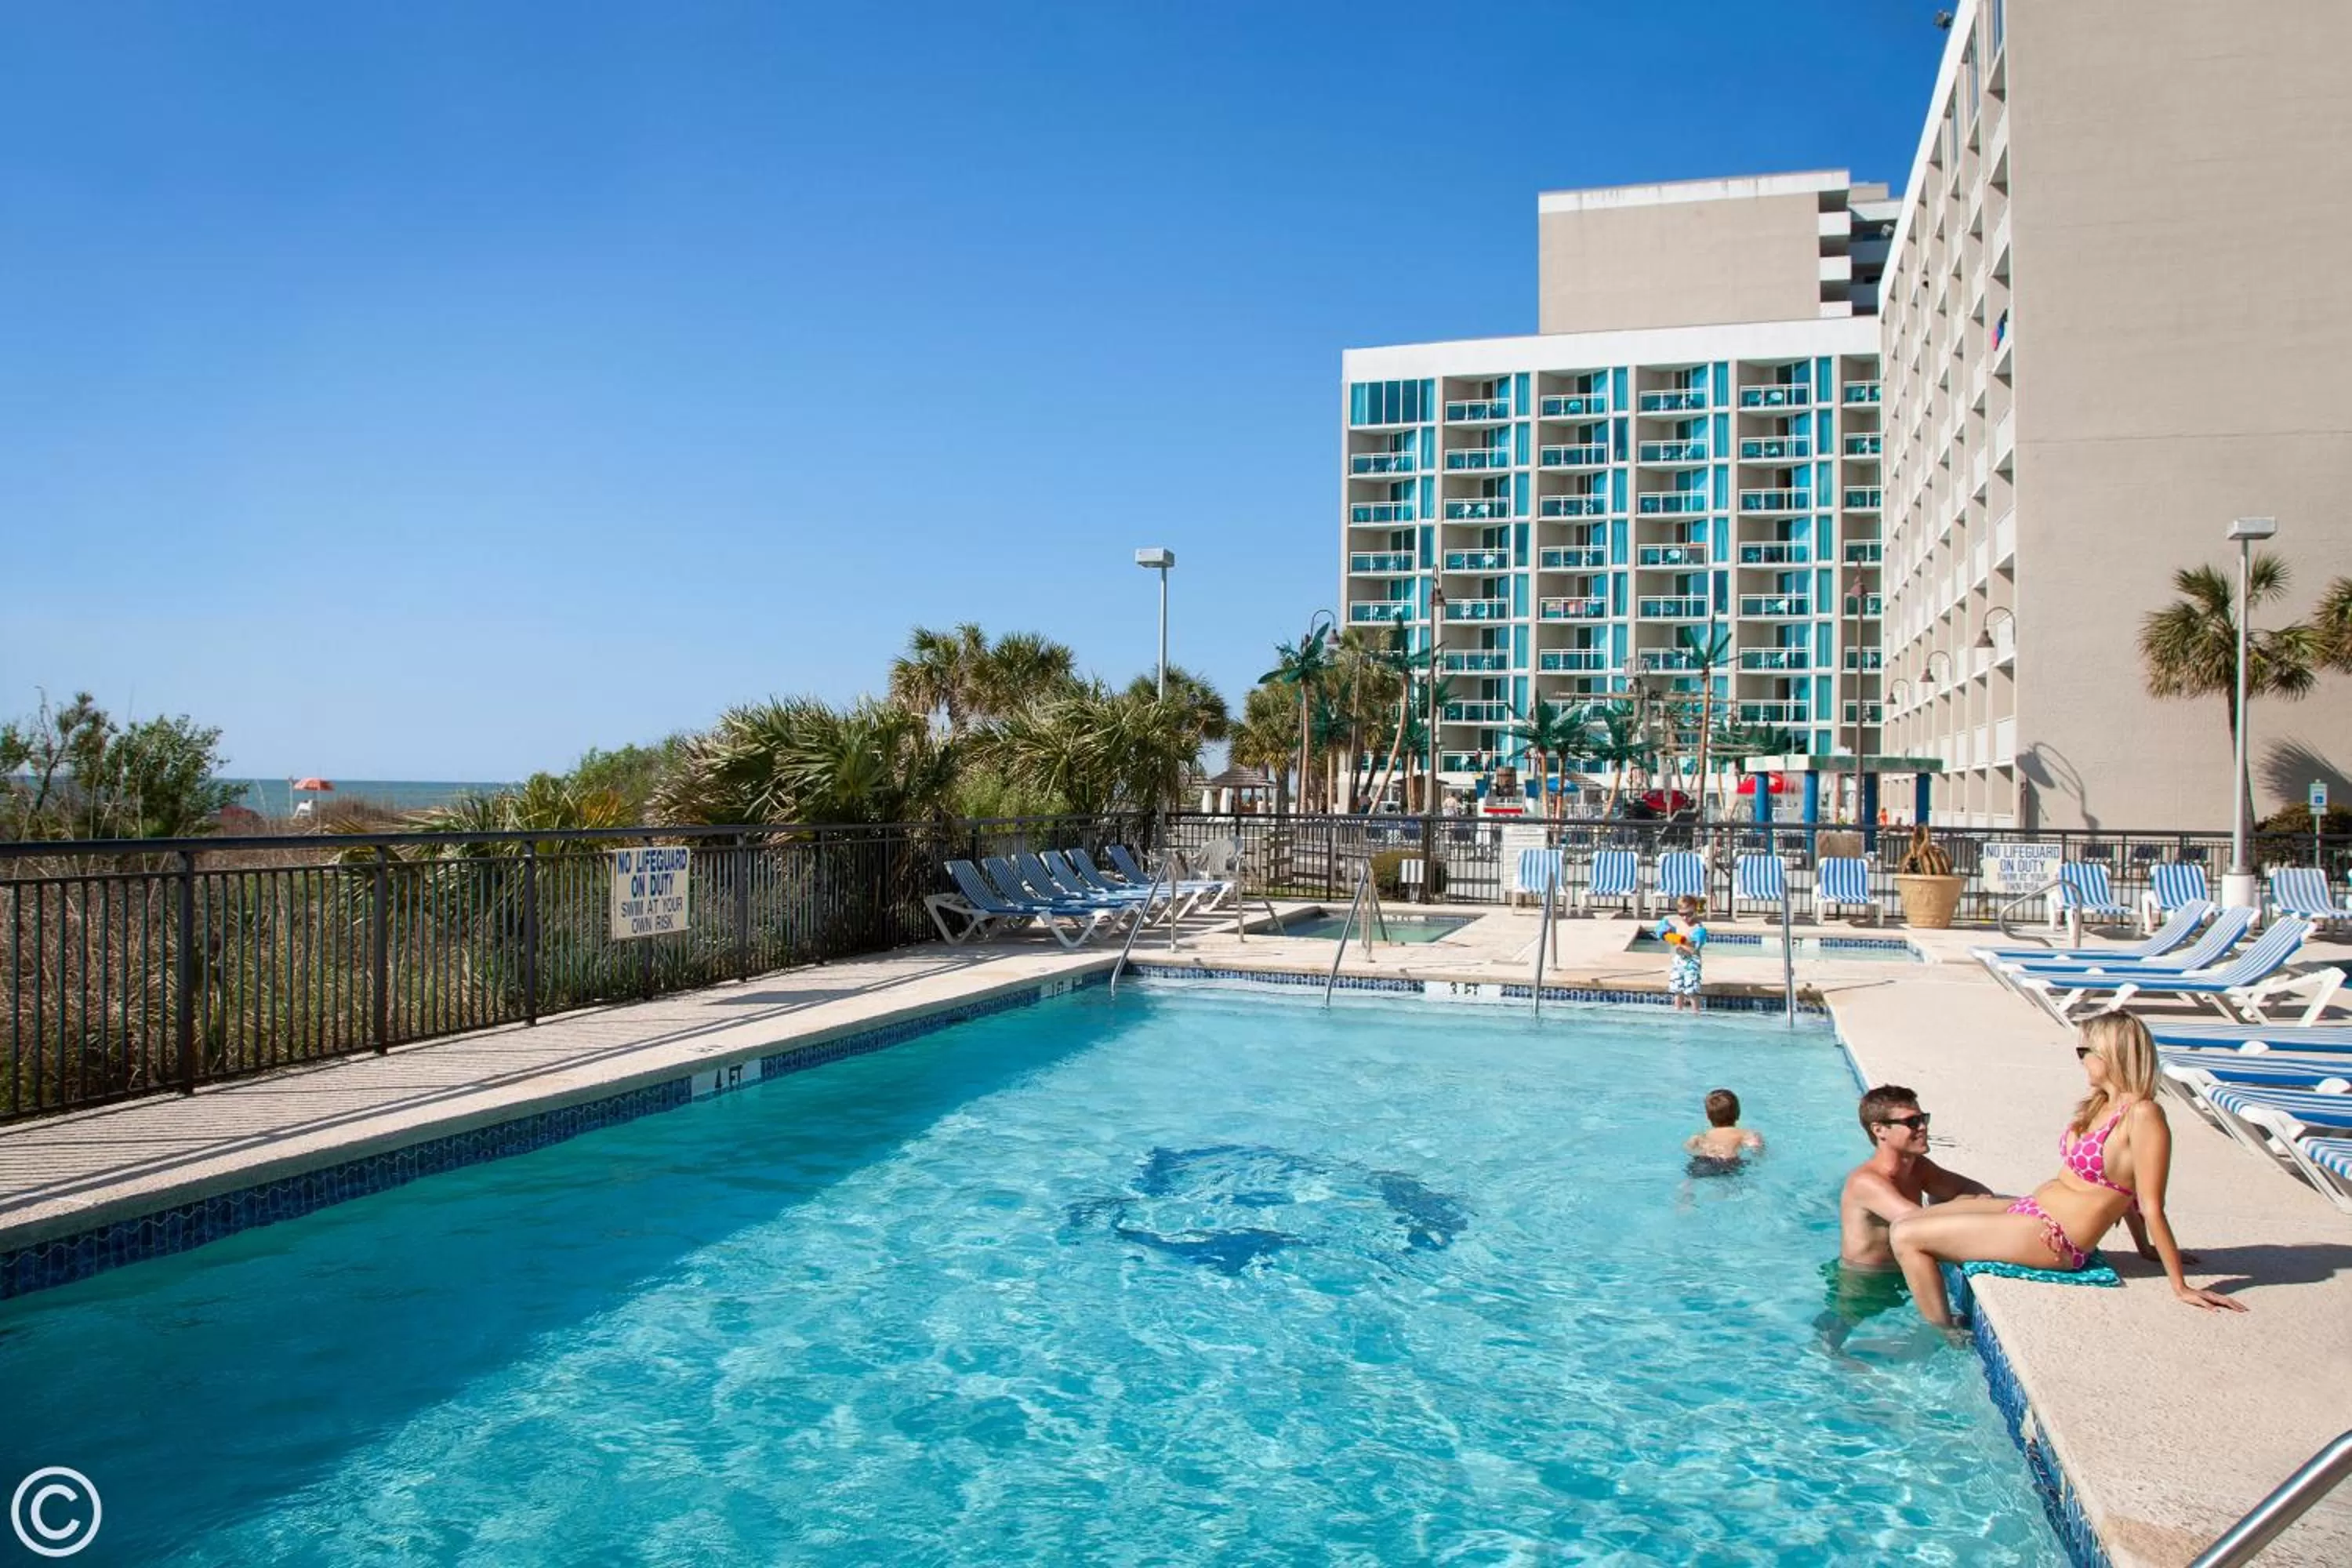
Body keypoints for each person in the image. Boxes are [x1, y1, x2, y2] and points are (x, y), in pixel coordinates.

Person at [1889, 1011, 2246, 1327]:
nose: (2080, 1061)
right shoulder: (2101, 1104)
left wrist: (2179, 1285)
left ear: (2110, 1056)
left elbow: (2149, 1203)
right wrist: (2144, 1249)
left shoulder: (2143, 1115)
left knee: (1908, 1238)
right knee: (1906, 1222)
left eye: (2084, 1052)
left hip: (2057, 1238)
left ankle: (1944, 1335)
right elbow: (2128, 1194)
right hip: (2034, 1209)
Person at [1820, 1085, 1998, 1345]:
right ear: (1879, 1130)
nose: (1923, 1128)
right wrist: (1971, 1206)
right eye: (1911, 1122)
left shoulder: (1918, 1167)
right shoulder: (1866, 1182)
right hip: (1865, 1283)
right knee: (1830, 1343)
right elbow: (1921, 1224)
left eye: (1923, 1119)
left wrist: (1963, 1200)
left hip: (1904, 1273)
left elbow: (1976, 1191)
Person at [1685, 1087, 1765, 1175]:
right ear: (1738, 1113)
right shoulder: (1742, 1133)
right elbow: (1755, 1147)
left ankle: (1687, 1185)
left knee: (1692, 1176)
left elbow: (1689, 1147)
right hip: (1728, 1162)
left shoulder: (1703, 1135)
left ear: (1708, 1117)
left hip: (1703, 1161)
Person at [1653, 895, 1708, 1011]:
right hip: (1679, 959)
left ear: (1695, 910)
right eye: (1682, 914)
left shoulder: (1697, 927)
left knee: (1692, 990)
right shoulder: (1677, 923)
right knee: (1677, 988)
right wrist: (1665, 934)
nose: (1685, 918)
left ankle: (1696, 1013)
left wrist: (1682, 940)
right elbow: (1660, 928)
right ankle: (1678, 1011)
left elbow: (1696, 945)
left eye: (1689, 914)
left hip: (1692, 960)